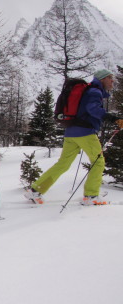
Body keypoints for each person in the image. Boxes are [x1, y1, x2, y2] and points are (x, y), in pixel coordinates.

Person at [27, 69, 123, 205]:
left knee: (63, 164)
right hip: (85, 132)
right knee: (98, 162)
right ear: (102, 79)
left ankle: (36, 190)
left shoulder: (89, 90)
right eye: (109, 78)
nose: (112, 80)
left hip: (71, 132)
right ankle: (91, 196)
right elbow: (93, 109)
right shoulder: (94, 91)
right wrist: (113, 118)